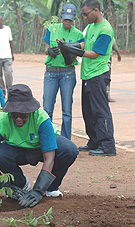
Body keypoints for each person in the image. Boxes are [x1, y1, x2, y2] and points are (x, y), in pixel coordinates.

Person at [0, 84, 79, 208]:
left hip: (40, 147)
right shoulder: (0, 121)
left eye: (23, 115)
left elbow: (49, 157)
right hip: (16, 149)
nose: (18, 119)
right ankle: (20, 184)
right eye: (14, 115)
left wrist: (38, 189)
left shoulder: (41, 118)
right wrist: (3, 184)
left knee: (69, 150)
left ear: (30, 111)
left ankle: (50, 187)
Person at [57, 0, 116, 156]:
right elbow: (84, 45)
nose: (84, 18)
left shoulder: (105, 29)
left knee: (100, 111)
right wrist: (69, 45)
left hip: (98, 75)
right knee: (88, 111)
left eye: (86, 14)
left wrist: (73, 51)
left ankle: (107, 145)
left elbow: (95, 53)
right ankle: (94, 141)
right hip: (88, 75)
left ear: (95, 10)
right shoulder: (90, 27)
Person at [43, 3, 84, 140]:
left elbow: (81, 48)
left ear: (74, 19)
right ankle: (48, 138)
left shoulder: (78, 34)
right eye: (65, 19)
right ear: (61, 17)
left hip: (68, 73)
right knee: (47, 109)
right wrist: (50, 51)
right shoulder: (52, 28)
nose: (67, 22)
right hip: (51, 73)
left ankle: (66, 141)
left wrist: (70, 47)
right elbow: (45, 48)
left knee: (67, 110)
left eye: (70, 19)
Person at [107, 38, 121, 102]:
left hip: (107, 60)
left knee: (107, 78)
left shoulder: (110, 36)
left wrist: (118, 54)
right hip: (100, 59)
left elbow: (114, 46)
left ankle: (107, 94)